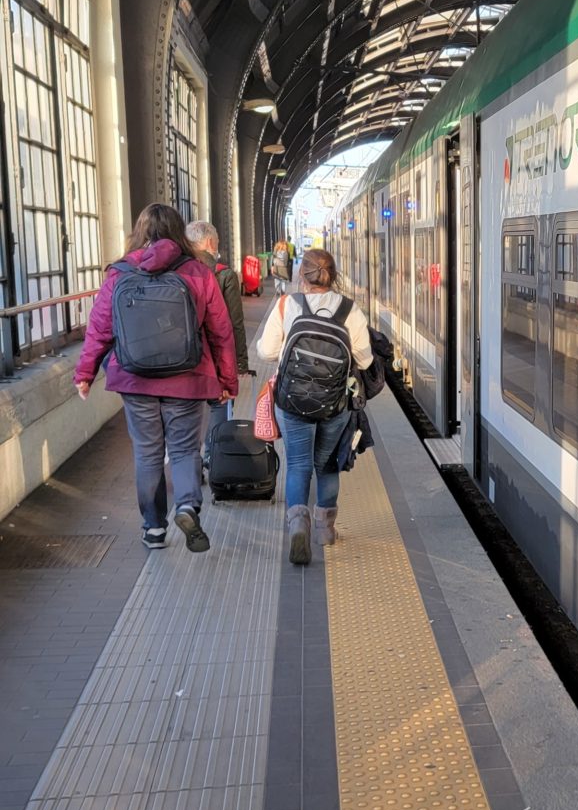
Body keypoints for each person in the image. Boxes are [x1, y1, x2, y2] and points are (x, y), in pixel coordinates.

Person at [74, 203, 238, 552]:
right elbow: (221, 332)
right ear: (180, 232)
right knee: (183, 450)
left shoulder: (119, 274)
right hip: (189, 377)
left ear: (139, 231)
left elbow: (100, 329)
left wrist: (85, 373)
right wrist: (228, 382)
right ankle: (188, 507)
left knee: (148, 454)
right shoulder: (198, 272)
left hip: (135, 380)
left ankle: (153, 529)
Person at [257, 247, 372, 564]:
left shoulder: (286, 304)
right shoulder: (350, 310)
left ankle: (298, 527)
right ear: (333, 276)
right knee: (327, 465)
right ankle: (325, 532)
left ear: (300, 274)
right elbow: (364, 358)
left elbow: (266, 352)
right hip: (335, 404)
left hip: (293, 402)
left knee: (297, 465)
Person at [187, 219, 251, 467]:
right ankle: (213, 457)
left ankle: (189, 461)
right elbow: (234, 323)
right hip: (215, 357)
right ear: (211, 243)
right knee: (219, 405)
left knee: (187, 411)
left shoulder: (178, 271)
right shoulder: (223, 274)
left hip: (185, 356)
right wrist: (240, 363)